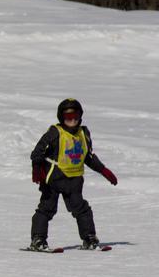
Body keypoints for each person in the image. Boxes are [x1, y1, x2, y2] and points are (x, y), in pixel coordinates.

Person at [28, 98, 117, 251]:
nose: (72, 119)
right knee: (46, 209)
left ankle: (89, 238)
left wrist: (104, 170)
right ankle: (38, 239)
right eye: (68, 117)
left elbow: (88, 157)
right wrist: (37, 168)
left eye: (75, 115)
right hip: (53, 179)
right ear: (61, 118)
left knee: (81, 209)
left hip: (74, 180)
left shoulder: (83, 133)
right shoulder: (55, 132)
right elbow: (37, 152)